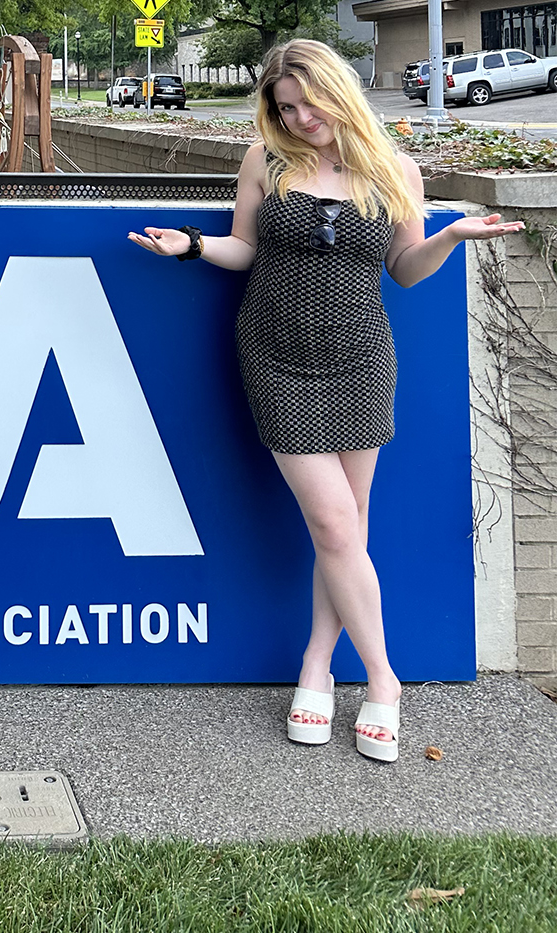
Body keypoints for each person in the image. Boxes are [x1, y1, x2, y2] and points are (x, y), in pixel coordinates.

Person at [129, 39, 523, 763]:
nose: (300, 116)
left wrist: (451, 238)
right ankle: (384, 679)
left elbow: (404, 270)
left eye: (308, 101)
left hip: (361, 358)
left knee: (345, 531)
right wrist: (190, 246)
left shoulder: (394, 170)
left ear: (337, 90)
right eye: (285, 107)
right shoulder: (264, 161)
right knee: (336, 525)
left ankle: (317, 662)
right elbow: (244, 249)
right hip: (276, 355)